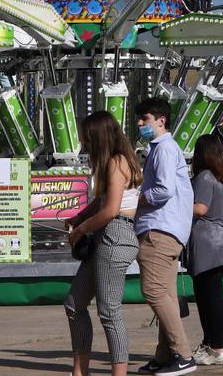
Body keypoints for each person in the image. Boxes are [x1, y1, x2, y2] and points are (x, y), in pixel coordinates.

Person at [64, 111, 144, 376]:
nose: (85, 145)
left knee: (109, 311)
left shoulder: (116, 162)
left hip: (116, 234)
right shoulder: (116, 161)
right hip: (106, 235)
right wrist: (79, 217)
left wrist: (80, 230)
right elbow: (102, 202)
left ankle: (118, 373)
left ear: (99, 137)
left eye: (88, 139)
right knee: (74, 304)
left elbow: (110, 210)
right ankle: (79, 371)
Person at [133, 98, 196, 375]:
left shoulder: (164, 149)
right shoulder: (162, 149)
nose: (140, 124)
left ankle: (182, 354)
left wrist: (139, 199)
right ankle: (165, 356)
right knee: (166, 296)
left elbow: (164, 190)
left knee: (154, 291)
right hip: (168, 229)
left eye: (144, 119)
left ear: (161, 121)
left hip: (159, 229)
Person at [187, 134, 223, 366]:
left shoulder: (205, 176)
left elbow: (200, 208)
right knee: (214, 296)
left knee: (208, 298)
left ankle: (217, 348)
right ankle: (211, 345)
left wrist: (176, 204)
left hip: (208, 244)